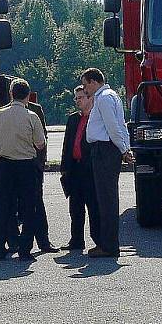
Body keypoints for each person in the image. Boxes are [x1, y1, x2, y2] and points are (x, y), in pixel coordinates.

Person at [0, 78, 47, 262]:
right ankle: (25, 250)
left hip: (4, 164)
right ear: (28, 96)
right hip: (26, 165)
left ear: (11, 94)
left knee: (2, 206)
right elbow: (40, 143)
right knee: (29, 207)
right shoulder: (32, 116)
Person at [82, 68, 134, 258]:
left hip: (105, 150)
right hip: (108, 149)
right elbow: (121, 124)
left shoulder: (103, 98)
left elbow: (113, 127)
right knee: (107, 198)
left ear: (94, 81)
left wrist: (123, 149)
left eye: (86, 84)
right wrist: (125, 148)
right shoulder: (111, 95)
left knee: (106, 200)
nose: (85, 88)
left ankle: (109, 246)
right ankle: (107, 243)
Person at [59, 86, 99, 250]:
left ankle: (98, 241)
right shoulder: (73, 119)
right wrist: (64, 167)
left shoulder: (96, 118)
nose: (77, 101)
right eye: (76, 98)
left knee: (93, 207)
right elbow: (67, 144)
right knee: (75, 208)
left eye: (80, 97)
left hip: (89, 168)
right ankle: (76, 240)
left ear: (90, 98)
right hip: (74, 168)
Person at [27, 98, 60, 253]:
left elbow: (43, 137)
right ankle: (14, 242)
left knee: (37, 203)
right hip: (13, 166)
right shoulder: (1, 111)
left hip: (34, 164)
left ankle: (44, 242)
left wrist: (42, 162)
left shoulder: (36, 109)